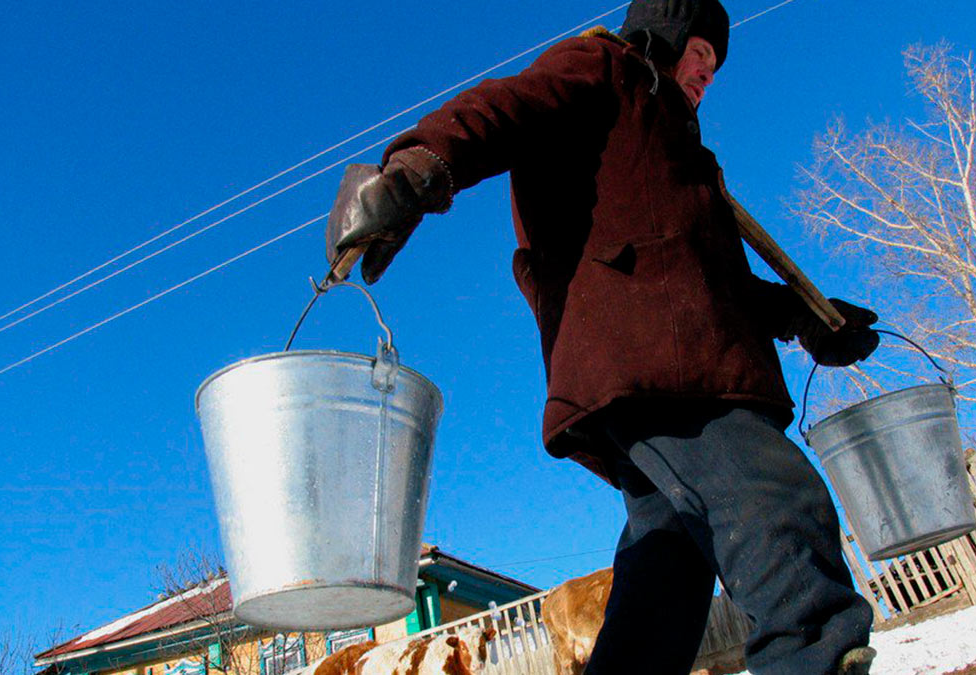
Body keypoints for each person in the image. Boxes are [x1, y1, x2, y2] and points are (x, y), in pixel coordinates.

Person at [325, 1, 879, 673]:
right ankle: (813, 656)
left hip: (682, 352)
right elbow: (506, 107)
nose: (708, 72)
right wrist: (418, 167)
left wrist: (805, 316)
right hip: (655, 358)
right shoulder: (607, 67)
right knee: (775, 503)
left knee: (666, 569)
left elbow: (714, 285)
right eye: (700, 52)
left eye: (716, 64)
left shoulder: (679, 157)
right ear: (667, 35)